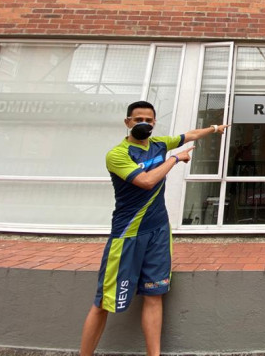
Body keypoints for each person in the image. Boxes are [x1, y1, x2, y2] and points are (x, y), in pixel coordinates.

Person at [80, 100, 229, 356]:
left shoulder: (159, 144)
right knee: (104, 303)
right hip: (128, 235)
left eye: (148, 120)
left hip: (159, 232)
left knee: (154, 295)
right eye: (138, 119)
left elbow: (190, 135)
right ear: (127, 122)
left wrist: (214, 129)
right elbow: (147, 181)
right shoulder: (117, 154)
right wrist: (175, 159)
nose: (144, 124)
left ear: (154, 123)